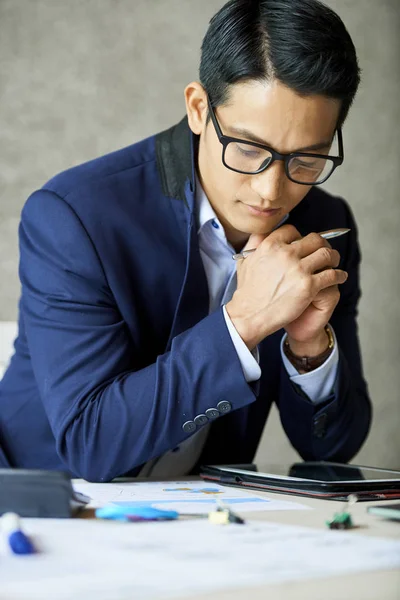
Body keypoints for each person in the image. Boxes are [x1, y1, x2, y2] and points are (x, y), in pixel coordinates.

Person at [0, 0, 372, 482]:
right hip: (40, 508)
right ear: (199, 109)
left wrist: (309, 350)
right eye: (249, 148)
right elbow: (90, 442)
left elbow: (333, 450)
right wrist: (246, 322)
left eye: (307, 158)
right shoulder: (76, 217)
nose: (272, 190)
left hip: (198, 521)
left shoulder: (325, 225)